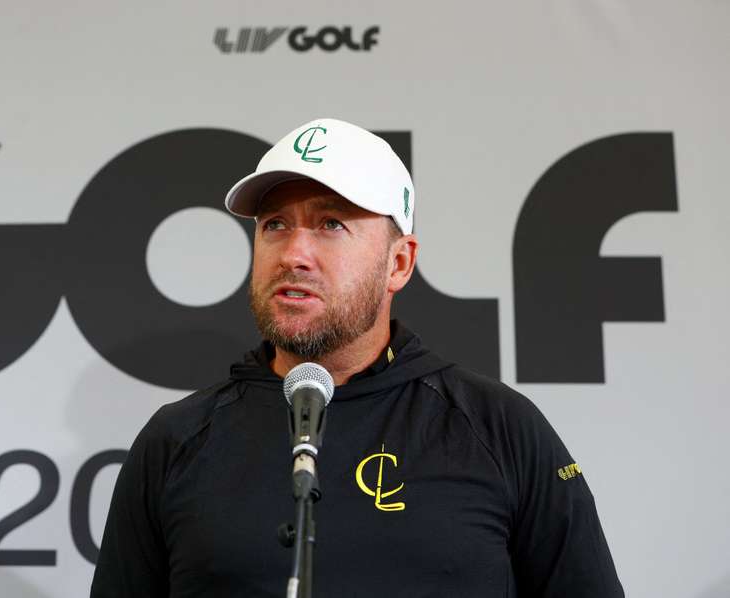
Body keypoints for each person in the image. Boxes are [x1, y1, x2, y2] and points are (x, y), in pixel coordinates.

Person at [90, 118, 624, 597]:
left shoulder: (500, 429)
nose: (295, 253)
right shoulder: (176, 440)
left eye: (331, 224)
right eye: (275, 224)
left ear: (398, 263)